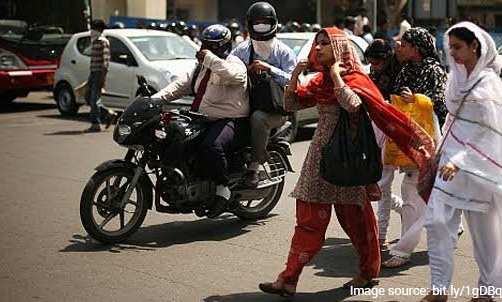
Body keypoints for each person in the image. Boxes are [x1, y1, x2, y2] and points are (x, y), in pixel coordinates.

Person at [258, 27, 435, 298]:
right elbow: (291, 104)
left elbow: (352, 104)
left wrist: (338, 76)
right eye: (317, 44)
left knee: (358, 222)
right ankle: (288, 278)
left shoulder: (355, 78)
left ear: (339, 50)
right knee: (307, 220)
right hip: (319, 158)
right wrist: (295, 75)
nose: (317, 49)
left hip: (349, 160)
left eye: (325, 44)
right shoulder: (319, 81)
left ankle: (367, 272)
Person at [420, 22, 502, 302]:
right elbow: (453, 120)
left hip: (479, 168)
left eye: (458, 47)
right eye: (450, 46)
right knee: (436, 221)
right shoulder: (454, 78)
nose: (451, 52)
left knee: (486, 236)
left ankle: (488, 291)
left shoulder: (489, 84)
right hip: (448, 165)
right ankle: (440, 287)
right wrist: (440, 151)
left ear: (474, 46)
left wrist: (460, 160)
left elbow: (490, 131)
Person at [152, 24, 250, 218]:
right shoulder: (202, 67)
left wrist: (210, 58)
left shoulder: (234, 63)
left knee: (211, 145)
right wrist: (155, 99)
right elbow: (180, 85)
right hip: (201, 118)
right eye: (204, 45)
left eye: (211, 46)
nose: (204, 49)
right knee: (172, 136)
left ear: (223, 46)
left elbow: (233, 76)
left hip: (231, 120)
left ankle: (223, 189)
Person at [380, 27, 448, 268]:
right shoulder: (406, 68)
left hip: (427, 138)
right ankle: (448, 232)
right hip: (406, 136)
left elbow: (441, 103)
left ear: (416, 48)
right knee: (426, 194)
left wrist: (416, 99)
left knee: (413, 191)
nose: (400, 47)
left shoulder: (435, 70)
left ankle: (403, 250)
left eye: (405, 44)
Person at [231, 1, 297, 188]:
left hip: (274, 109)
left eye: (264, 23)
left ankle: (253, 168)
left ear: (273, 23)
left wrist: (270, 69)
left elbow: (294, 82)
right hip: (244, 104)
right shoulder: (242, 49)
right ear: (250, 24)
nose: (260, 27)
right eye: (256, 23)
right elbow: (229, 69)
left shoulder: (283, 52)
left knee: (259, 118)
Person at [364, 39, 403, 249]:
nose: (374, 67)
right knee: (381, 187)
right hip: (374, 134)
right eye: (371, 63)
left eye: (377, 63)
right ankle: (405, 211)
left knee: (383, 185)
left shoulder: (400, 75)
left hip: (392, 133)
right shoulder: (373, 76)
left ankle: (381, 235)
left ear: (387, 59)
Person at [84, 19, 111, 132]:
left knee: (95, 99)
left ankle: (95, 124)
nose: (92, 31)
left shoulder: (102, 42)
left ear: (99, 29)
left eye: (94, 28)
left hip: (98, 73)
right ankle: (108, 113)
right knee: (88, 97)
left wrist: (102, 78)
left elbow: (105, 63)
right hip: (93, 72)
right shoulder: (95, 41)